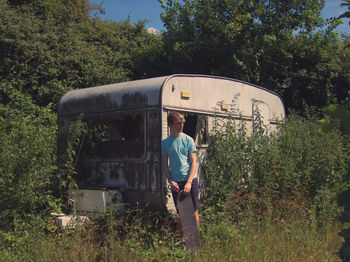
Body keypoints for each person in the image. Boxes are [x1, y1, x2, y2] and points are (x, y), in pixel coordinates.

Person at [161, 111, 199, 240]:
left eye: (182, 123)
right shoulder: (165, 143)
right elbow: (165, 165)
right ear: (170, 124)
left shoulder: (188, 140)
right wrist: (170, 181)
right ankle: (181, 241)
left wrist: (189, 182)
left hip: (190, 180)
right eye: (178, 123)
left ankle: (194, 241)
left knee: (193, 212)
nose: (181, 126)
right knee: (181, 213)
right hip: (176, 182)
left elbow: (194, 162)